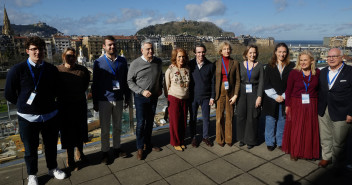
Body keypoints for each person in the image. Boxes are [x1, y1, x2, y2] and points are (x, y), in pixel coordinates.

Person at [5, 36, 66, 185]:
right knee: (30, 149)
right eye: (34, 49)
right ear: (27, 51)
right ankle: (32, 174)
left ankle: (53, 168)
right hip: (27, 117)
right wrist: (24, 106)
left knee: (51, 145)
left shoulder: (51, 69)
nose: (37, 52)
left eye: (40, 49)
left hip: (50, 115)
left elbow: (58, 89)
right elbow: (9, 93)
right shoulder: (17, 70)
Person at [92, 36, 130, 164]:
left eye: (113, 44)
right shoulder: (98, 62)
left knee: (118, 126)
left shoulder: (122, 61)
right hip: (104, 100)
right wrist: (95, 102)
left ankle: (117, 148)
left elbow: (125, 81)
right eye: (109, 45)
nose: (112, 47)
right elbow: (95, 84)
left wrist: (127, 98)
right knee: (105, 128)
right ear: (104, 46)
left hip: (119, 99)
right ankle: (104, 152)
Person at [127, 39, 163, 160]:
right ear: (142, 50)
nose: (150, 51)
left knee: (150, 121)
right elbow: (129, 81)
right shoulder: (135, 64)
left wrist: (160, 88)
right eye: (148, 49)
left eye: (152, 48)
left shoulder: (158, 62)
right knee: (141, 122)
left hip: (154, 97)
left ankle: (148, 143)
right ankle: (139, 147)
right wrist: (142, 91)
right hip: (140, 98)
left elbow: (160, 76)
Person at [282, 50, 320, 161]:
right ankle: (294, 151)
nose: (302, 62)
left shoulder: (317, 73)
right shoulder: (294, 73)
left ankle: (307, 152)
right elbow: (288, 91)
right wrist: (287, 106)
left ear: (312, 61)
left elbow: (320, 89)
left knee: (309, 129)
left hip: (312, 104)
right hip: (296, 104)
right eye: (301, 60)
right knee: (296, 129)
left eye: (305, 60)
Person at [317, 48, 352, 168]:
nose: (331, 59)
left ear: (342, 57)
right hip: (324, 109)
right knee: (325, 136)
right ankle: (326, 157)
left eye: (334, 56)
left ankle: (338, 164)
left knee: (339, 141)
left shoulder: (350, 72)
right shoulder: (322, 72)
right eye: (329, 56)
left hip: (342, 111)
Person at [57, 47, 90, 171]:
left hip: (79, 105)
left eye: (73, 56)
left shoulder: (82, 70)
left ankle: (80, 153)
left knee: (81, 131)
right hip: (64, 107)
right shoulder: (58, 70)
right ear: (63, 56)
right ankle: (70, 159)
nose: (71, 58)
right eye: (68, 56)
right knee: (67, 134)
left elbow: (86, 84)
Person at [262, 43, 295, 151]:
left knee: (282, 121)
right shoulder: (269, 66)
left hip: (285, 98)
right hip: (271, 99)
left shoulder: (291, 66)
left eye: (284, 52)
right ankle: (270, 142)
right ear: (275, 52)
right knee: (270, 121)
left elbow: (292, 83)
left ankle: (281, 142)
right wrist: (276, 96)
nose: (282, 54)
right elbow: (266, 84)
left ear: (287, 53)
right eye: (280, 51)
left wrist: (284, 96)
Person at [235, 45, 264, 149]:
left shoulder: (259, 65)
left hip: (254, 91)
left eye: (254, 52)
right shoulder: (240, 65)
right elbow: (237, 80)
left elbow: (261, 82)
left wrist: (259, 96)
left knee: (252, 116)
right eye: (250, 53)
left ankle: (250, 140)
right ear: (246, 54)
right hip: (242, 92)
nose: (253, 55)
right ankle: (242, 138)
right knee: (241, 115)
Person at [189, 43, 215, 147]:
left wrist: (212, 97)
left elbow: (213, 82)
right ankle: (193, 137)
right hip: (193, 97)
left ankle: (206, 137)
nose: (201, 54)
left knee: (206, 119)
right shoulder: (190, 64)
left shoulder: (210, 65)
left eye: (203, 52)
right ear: (194, 53)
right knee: (193, 118)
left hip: (206, 97)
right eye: (199, 52)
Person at [214, 41, 240, 147]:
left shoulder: (235, 63)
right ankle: (220, 139)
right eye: (224, 49)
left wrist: (236, 95)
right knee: (219, 117)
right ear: (221, 51)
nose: (227, 51)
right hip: (220, 92)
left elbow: (238, 80)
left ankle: (229, 139)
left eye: (228, 49)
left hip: (231, 92)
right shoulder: (216, 63)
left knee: (229, 116)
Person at [164, 48, 190, 151]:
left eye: (183, 56)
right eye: (179, 56)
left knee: (183, 122)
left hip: (185, 99)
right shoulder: (170, 70)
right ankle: (175, 142)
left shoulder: (188, 69)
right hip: (174, 98)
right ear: (175, 57)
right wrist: (168, 98)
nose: (181, 58)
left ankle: (181, 140)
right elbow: (166, 86)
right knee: (174, 122)